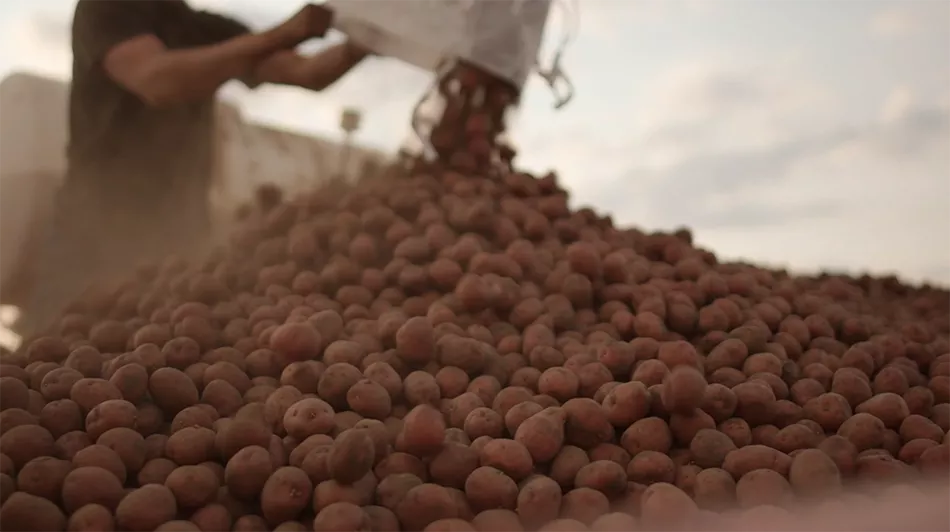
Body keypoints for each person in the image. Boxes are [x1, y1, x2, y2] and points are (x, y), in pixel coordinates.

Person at [18, 0, 372, 336]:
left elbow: (307, 71)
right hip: (93, 233)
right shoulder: (110, 7)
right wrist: (280, 34)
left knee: (158, 353)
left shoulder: (206, 28)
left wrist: (377, 34)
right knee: (51, 361)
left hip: (179, 237)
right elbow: (156, 80)